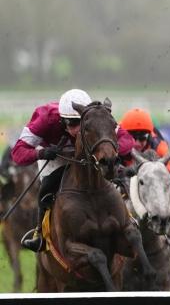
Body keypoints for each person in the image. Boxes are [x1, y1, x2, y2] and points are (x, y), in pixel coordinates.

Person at [11, 89, 135, 252]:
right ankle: (39, 234)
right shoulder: (44, 118)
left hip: (88, 154)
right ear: (61, 121)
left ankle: (128, 220)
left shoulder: (95, 117)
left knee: (111, 179)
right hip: (56, 156)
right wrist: (41, 153)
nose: (77, 130)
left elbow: (128, 140)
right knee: (47, 188)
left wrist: (111, 150)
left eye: (80, 123)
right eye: (72, 124)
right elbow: (17, 153)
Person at [118, 107, 170, 187]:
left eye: (142, 138)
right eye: (133, 138)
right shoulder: (114, 141)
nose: (137, 143)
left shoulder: (159, 147)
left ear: (149, 136)